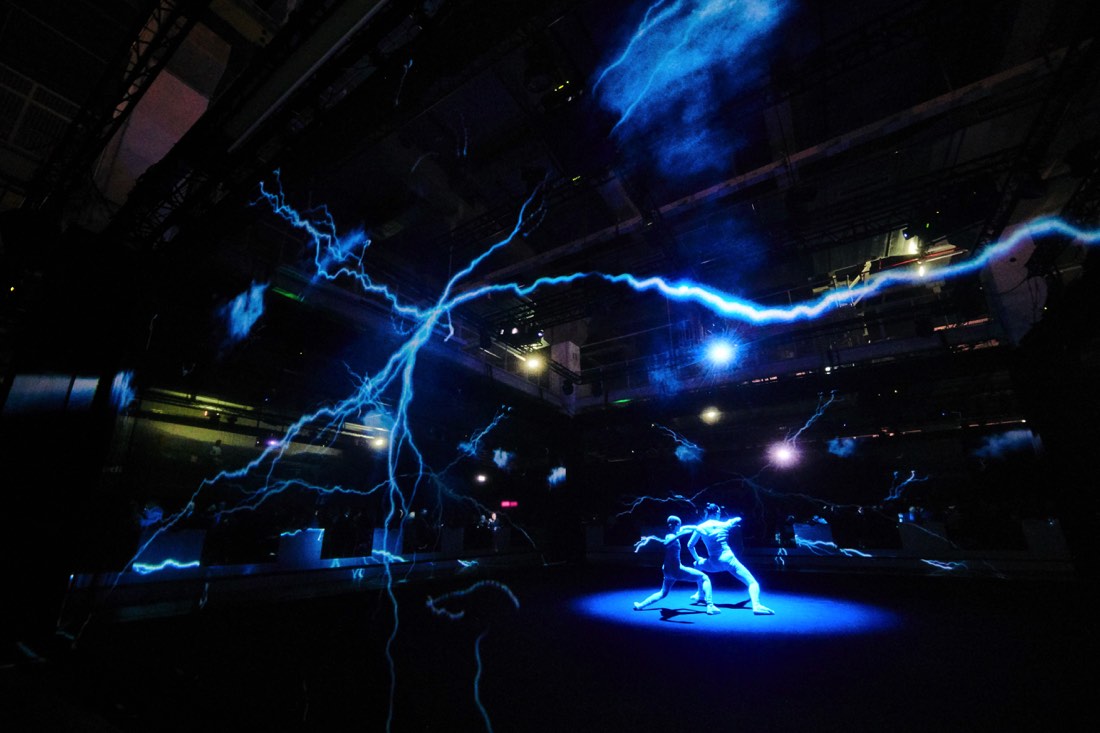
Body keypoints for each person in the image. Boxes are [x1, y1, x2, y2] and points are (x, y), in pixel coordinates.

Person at [688, 503, 774, 615]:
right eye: (719, 512)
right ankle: (756, 605)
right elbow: (738, 519)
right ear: (717, 512)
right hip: (729, 560)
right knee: (753, 583)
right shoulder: (725, 524)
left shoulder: (700, 527)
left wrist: (698, 558)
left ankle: (700, 594)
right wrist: (733, 520)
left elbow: (690, 545)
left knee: (697, 564)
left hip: (714, 562)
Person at [633, 515, 720, 615]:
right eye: (679, 525)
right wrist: (681, 534)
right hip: (676, 570)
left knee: (663, 593)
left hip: (667, 571)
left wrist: (653, 538)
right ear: (677, 525)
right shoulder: (672, 536)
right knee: (704, 578)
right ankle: (710, 606)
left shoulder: (670, 535)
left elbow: (668, 539)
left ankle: (640, 605)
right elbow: (666, 543)